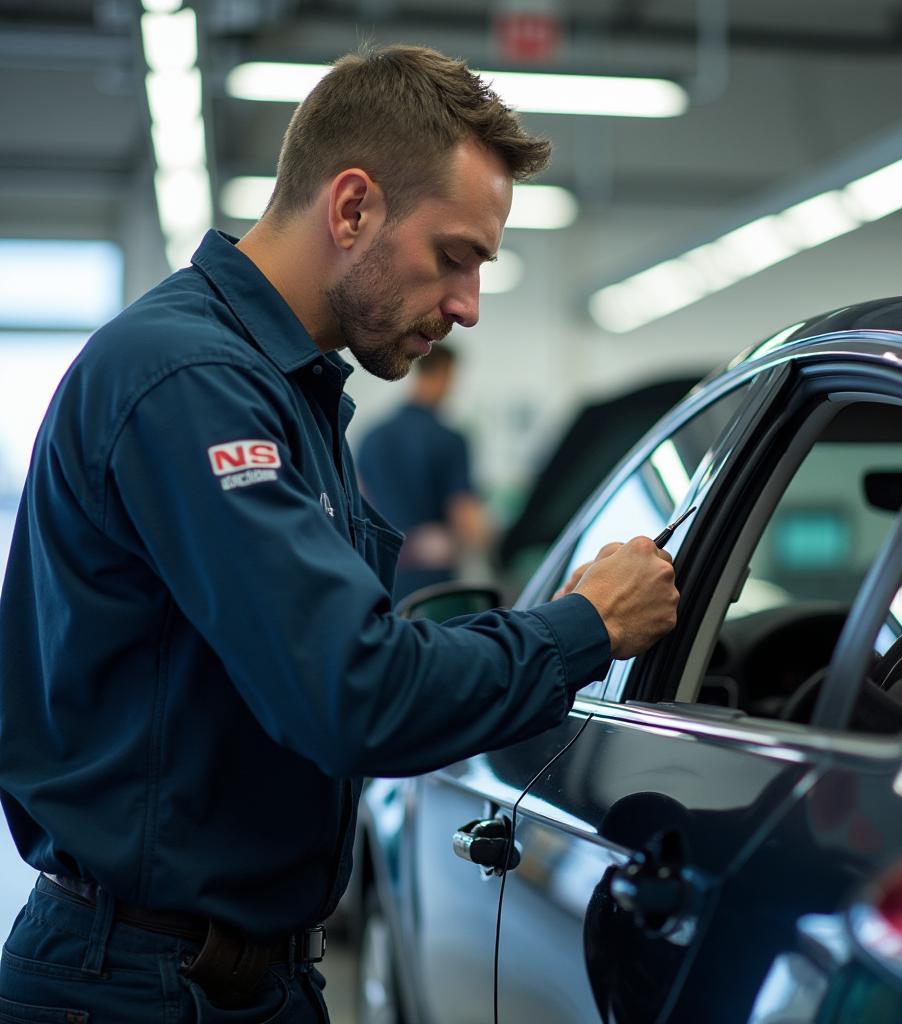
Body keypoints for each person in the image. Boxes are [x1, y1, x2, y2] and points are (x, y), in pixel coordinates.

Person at [0, 44, 679, 1022]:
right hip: (135, 986)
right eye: (455, 256)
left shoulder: (290, 394)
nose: (467, 307)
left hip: (232, 974)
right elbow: (351, 691)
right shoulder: (193, 383)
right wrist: (583, 625)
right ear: (352, 206)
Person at [358, 344, 489, 601]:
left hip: (382, 572)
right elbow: (464, 512)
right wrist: (495, 558)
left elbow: (358, 500)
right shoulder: (449, 439)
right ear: (445, 373)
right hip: (432, 579)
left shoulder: (372, 435)